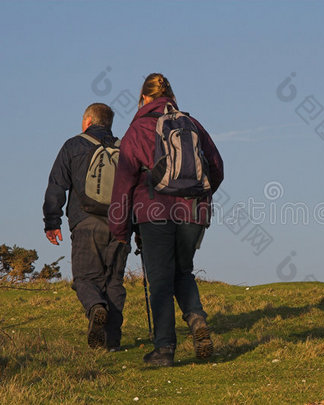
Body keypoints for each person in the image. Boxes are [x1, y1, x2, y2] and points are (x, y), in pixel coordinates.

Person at [109, 73, 224, 366]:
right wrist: (199, 197)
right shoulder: (192, 124)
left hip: (153, 211)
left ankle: (164, 350)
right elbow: (217, 167)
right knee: (183, 272)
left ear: (144, 98)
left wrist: (120, 227)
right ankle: (196, 318)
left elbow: (123, 181)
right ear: (170, 96)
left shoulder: (138, 128)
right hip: (192, 211)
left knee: (160, 280)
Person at [43, 103, 130, 351]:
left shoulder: (73, 146)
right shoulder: (124, 149)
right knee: (114, 281)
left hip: (85, 222)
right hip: (120, 224)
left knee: (85, 278)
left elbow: (57, 185)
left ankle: (95, 307)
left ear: (87, 121)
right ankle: (111, 342)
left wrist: (52, 221)